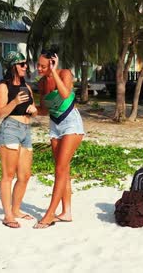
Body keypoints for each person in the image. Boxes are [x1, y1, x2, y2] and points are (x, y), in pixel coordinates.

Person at [33, 50, 85, 229]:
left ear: (53, 63)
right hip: (55, 124)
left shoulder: (65, 74)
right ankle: (66, 212)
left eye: (43, 65)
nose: (38, 68)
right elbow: (45, 110)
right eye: (38, 65)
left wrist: (54, 72)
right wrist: (28, 108)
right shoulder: (41, 83)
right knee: (64, 170)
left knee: (60, 169)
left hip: (71, 123)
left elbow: (64, 94)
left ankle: (49, 215)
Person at [0, 51, 38, 228]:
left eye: (25, 64)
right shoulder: (3, 87)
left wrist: (33, 111)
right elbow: (0, 113)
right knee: (8, 175)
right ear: (13, 66)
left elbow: (33, 108)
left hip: (26, 130)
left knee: (25, 175)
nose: (25, 67)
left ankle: (16, 209)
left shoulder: (26, 87)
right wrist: (14, 102)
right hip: (10, 129)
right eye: (21, 64)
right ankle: (8, 216)